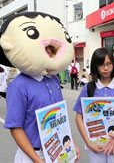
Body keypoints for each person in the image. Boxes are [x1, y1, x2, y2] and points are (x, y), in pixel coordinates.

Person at [0, 12, 80, 163]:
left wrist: (72, 143)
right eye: (44, 48)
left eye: (51, 48)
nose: (48, 52)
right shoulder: (18, 86)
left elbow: (60, 118)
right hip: (33, 154)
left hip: (58, 149)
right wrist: (37, 159)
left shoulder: (54, 80)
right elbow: (15, 128)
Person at [73, 48, 114, 163]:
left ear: (113, 65)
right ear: (95, 66)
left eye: (108, 64)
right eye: (101, 65)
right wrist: (89, 143)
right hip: (95, 145)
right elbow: (78, 118)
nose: (106, 68)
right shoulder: (89, 88)